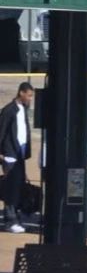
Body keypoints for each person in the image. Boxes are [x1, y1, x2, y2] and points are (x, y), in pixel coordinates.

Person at [0, 82, 34, 233]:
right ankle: (9, 220)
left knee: (18, 186)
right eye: (29, 95)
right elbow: (1, 132)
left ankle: (16, 217)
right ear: (21, 93)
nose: (30, 99)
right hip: (9, 155)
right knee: (10, 187)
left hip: (19, 153)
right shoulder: (9, 110)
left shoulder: (23, 109)